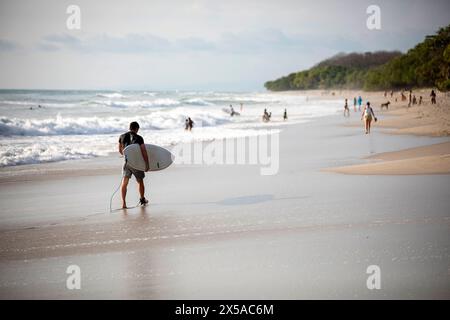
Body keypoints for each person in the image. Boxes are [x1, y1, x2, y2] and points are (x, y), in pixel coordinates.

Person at [118, 121, 149, 209]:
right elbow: (143, 151)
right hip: (136, 163)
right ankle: (142, 199)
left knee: (124, 183)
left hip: (127, 162)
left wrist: (126, 156)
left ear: (129, 127)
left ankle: (123, 203)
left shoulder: (122, 136)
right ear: (137, 129)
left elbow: (120, 150)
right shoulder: (139, 138)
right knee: (140, 181)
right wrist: (146, 164)